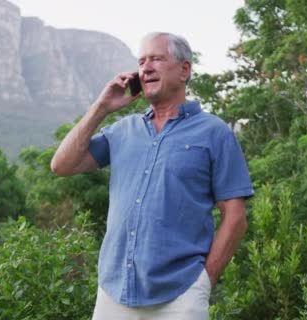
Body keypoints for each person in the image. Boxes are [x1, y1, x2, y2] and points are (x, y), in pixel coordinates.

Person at [51, 32, 254, 320]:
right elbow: (62, 165)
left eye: (157, 59)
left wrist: (203, 282)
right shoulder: (122, 131)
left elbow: (235, 217)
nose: (146, 68)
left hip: (181, 296)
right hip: (114, 294)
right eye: (142, 61)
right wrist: (102, 107)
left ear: (184, 70)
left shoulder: (214, 132)